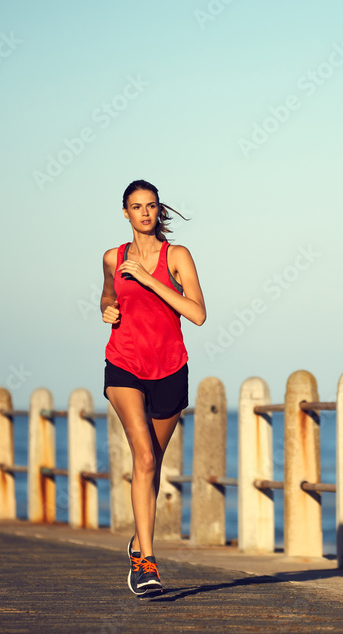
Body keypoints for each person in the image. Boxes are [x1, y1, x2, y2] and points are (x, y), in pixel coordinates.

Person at [100, 180, 206, 595]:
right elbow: (108, 298)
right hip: (124, 364)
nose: (144, 212)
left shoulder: (177, 256)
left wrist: (149, 279)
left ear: (159, 211)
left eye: (150, 206)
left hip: (169, 368)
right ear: (125, 213)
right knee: (143, 456)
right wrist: (107, 309)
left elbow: (197, 314)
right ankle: (146, 561)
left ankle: (137, 545)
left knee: (153, 463)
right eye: (135, 206)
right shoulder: (113, 258)